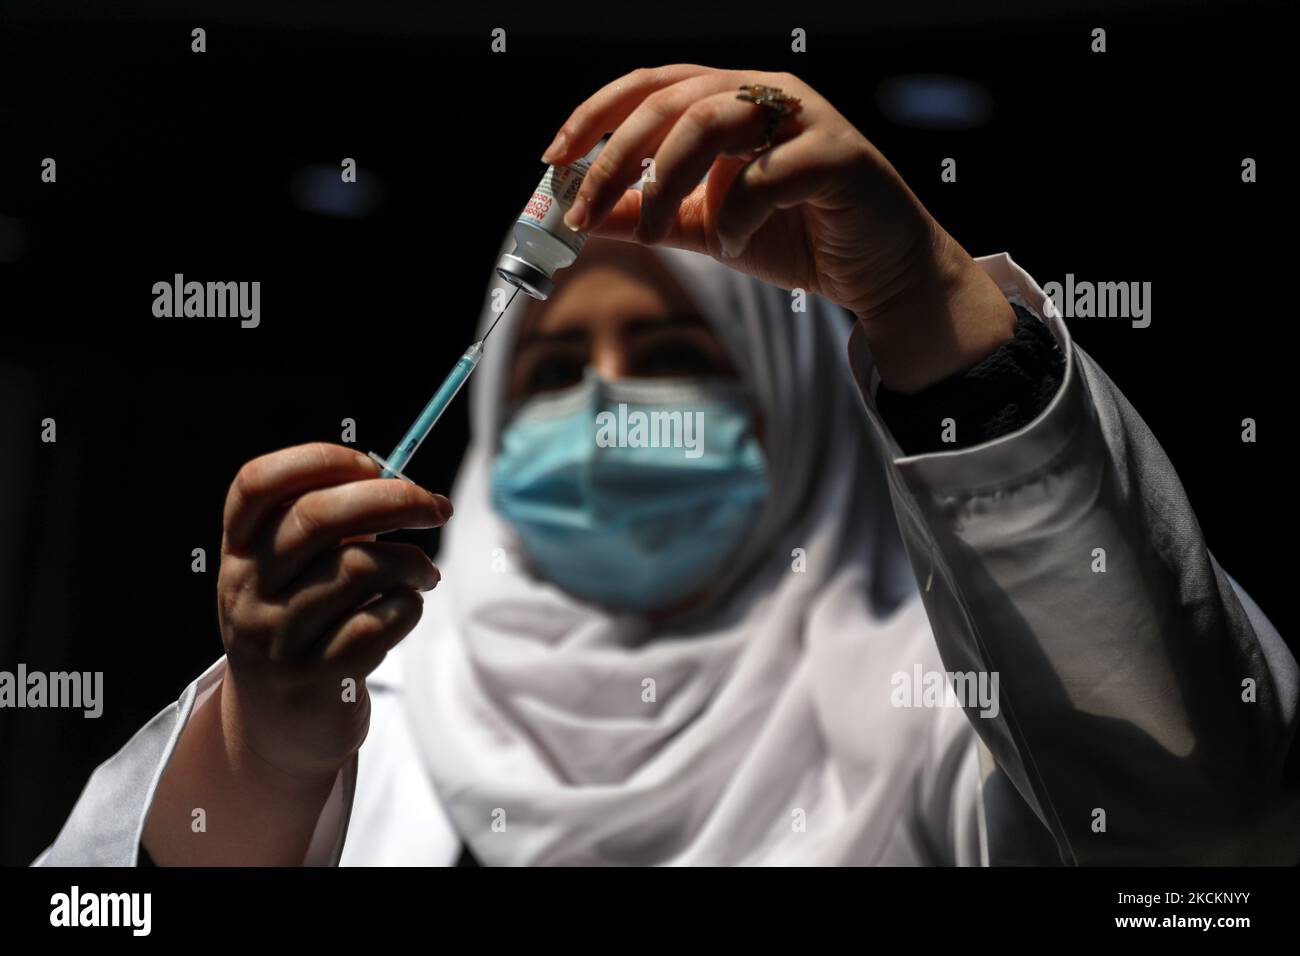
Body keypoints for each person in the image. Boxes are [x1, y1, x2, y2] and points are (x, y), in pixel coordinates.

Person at [36, 65, 1297, 866]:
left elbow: (1196, 837)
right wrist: (268, 747)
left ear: (797, 409)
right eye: (547, 367)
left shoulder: (950, 701)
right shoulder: (369, 694)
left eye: (671, 358)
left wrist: (925, 297)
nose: (604, 409)